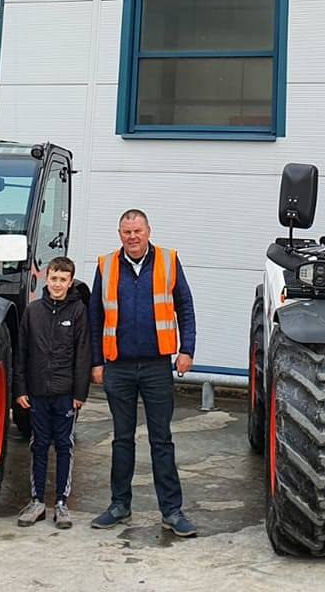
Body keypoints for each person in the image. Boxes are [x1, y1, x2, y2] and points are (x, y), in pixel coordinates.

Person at [87, 209, 198, 537]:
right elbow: (95, 317)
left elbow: (185, 306)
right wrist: (96, 362)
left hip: (156, 366)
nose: (132, 237)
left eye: (137, 231)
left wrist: (187, 349)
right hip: (118, 367)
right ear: (119, 234)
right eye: (126, 232)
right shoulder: (106, 265)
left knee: (161, 440)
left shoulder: (168, 261)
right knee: (121, 439)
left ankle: (172, 511)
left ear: (149, 231)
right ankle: (119, 505)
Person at [14, 256, 90, 530]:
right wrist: (20, 389)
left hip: (65, 393)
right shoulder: (33, 311)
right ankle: (36, 502)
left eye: (63, 280)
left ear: (70, 282)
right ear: (47, 278)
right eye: (54, 278)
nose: (58, 284)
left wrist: (80, 393)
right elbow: (22, 353)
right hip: (37, 393)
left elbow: (83, 354)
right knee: (39, 444)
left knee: (64, 445)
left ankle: (61, 503)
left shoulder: (78, 312)